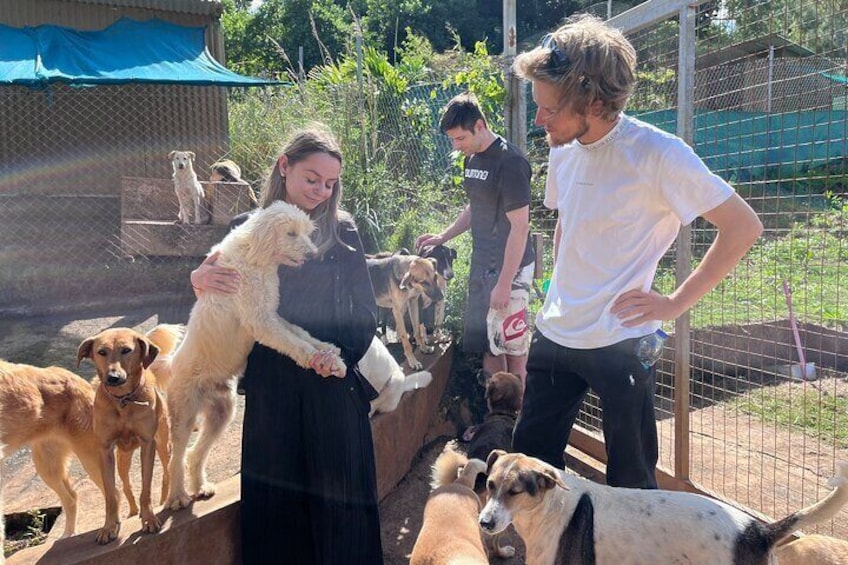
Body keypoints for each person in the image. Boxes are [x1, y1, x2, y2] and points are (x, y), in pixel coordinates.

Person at [510, 15, 763, 488]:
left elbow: (743, 226)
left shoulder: (658, 153)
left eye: (548, 109)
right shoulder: (562, 148)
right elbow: (569, 217)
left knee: (632, 480)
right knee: (527, 468)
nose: (539, 119)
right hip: (556, 331)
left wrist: (673, 304)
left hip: (622, 341)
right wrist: (554, 288)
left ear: (595, 101)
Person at [189, 126, 383, 564]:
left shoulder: (341, 229)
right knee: (277, 510)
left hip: (329, 379)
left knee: (342, 509)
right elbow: (217, 298)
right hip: (272, 383)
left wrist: (333, 358)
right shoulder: (245, 229)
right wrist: (196, 280)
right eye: (312, 178)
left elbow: (365, 313)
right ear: (284, 166)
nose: (321, 191)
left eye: (330, 183)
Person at [416, 92, 535, 384]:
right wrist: (443, 236)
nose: (457, 146)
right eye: (453, 140)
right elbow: (475, 207)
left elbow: (520, 228)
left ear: (479, 125)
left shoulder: (510, 163)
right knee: (489, 346)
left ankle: (519, 424)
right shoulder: (472, 161)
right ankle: (495, 419)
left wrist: (506, 283)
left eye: (460, 139)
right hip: (482, 265)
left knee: (514, 348)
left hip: (512, 269)